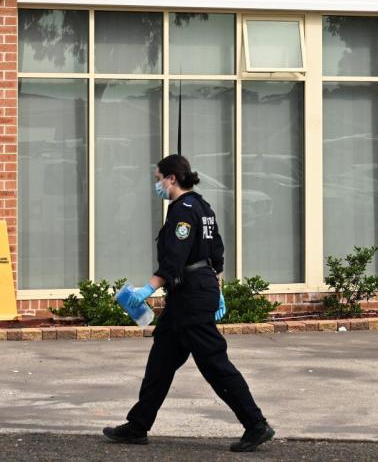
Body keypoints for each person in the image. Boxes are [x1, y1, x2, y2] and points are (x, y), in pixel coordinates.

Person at [103, 154, 275, 453]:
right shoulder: (203, 206)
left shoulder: (182, 210)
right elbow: (217, 251)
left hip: (191, 296)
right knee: (161, 361)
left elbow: (175, 258)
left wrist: (147, 290)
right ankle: (138, 425)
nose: (157, 184)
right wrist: (217, 287)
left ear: (172, 178)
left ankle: (255, 424)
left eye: (158, 179)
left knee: (214, 363)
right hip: (194, 292)